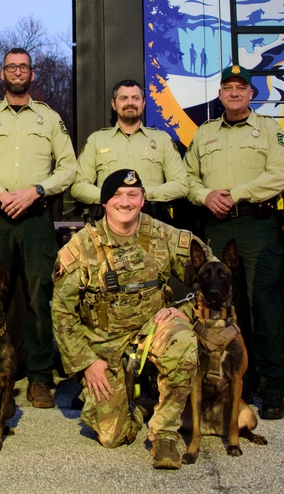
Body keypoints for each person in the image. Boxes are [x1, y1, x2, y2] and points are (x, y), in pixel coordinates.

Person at [53, 169, 211, 469]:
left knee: (183, 341)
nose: (125, 202)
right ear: (104, 203)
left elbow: (213, 273)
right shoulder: (82, 247)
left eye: (132, 195)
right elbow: (62, 311)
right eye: (117, 196)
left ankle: (165, 435)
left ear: (143, 200)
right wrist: (87, 362)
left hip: (152, 329)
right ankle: (138, 408)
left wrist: (187, 312)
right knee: (112, 436)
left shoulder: (164, 235)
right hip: (104, 343)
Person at [0, 47, 76, 409]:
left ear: (31, 73)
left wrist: (35, 191)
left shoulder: (49, 118)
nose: (18, 72)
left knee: (40, 295)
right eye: (11, 67)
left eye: (23, 67)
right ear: (2, 73)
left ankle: (40, 377)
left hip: (36, 217)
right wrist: (0, 196)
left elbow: (69, 168)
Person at [183, 64, 284, 419]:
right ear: (220, 94)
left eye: (240, 88)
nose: (234, 93)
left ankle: (272, 387)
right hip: (216, 226)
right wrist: (206, 196)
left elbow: (281, 174)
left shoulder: (269, 130)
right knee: (225, 310)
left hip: (254, 226)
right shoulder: (205, 133)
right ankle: (230, 381)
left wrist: (236, 194)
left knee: (263, 307)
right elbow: (188, 177)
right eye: (227, 87)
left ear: (251, 94)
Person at [71, 79, 188, 224]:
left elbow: (181, 185)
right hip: (108, 224)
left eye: (135, 98)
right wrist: (113, 196)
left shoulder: (162, 139)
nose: (130, 103)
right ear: (114, 104)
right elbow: (78, 186)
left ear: (143, 103)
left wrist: (142, 194)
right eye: (123, 98)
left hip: (153, 223)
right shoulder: (97, 140)